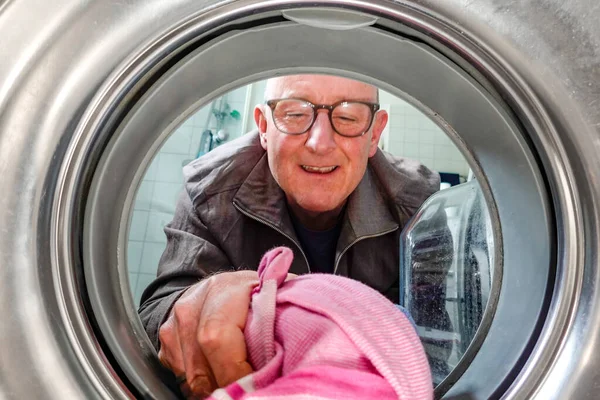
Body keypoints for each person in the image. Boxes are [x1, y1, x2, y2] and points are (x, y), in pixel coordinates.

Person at [138, 74, 443, 398]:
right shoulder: (209, 191)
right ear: (264, 126)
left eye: (348, 117)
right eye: (295, 114)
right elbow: (155, 316)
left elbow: (437, 338)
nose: (319, 143)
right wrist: (201, 298)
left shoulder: (418, 205)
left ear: (374, 133)